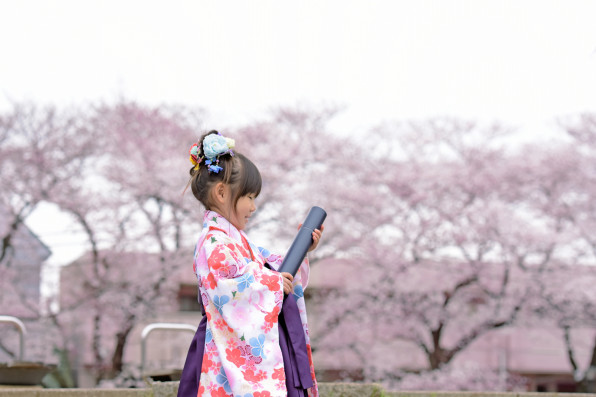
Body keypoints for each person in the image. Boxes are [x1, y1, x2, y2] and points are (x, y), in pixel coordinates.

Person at [178, 131, 323, 397]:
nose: (253, 207)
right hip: (223, 350)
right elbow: (231, 287)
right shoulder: (213, 242)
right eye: (250, 197)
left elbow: (272, 269)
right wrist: (273, 283)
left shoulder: (233, 241)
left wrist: (301, 251)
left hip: (246, 345)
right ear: (222, 192)